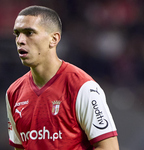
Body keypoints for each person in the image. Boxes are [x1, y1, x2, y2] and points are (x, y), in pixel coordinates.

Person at [6, 5, 119, 150]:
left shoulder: (82, 87)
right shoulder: (14, 93)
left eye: (29, 33)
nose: (20, 40)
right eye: (17, 34)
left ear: (53, 39)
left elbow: (109, 147)